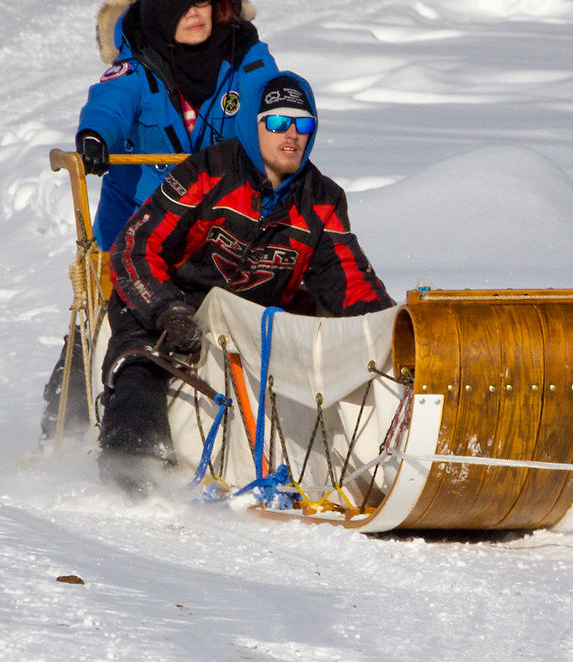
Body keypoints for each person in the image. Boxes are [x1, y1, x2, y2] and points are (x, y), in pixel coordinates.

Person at [96, 72, 394, 494]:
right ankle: (131, 475)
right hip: (163, 299)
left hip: (249, 322)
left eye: (302, 124)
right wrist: (166, 309)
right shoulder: (208, 171)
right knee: (141, 365)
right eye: (277, 122)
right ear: (254, 125)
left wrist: (392, 333)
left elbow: (352, 284)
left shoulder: (322, 200)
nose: (291, 135)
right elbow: (135, 245)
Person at [75, 0, 277, 249]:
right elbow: (111, 101)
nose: (193, 12)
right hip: (137, 224)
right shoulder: (138, 65)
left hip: (220, 224)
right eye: (179, 5)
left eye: (200, 1)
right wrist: (95, 134)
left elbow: (271, 96)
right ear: (160, 12)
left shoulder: (245, 57)